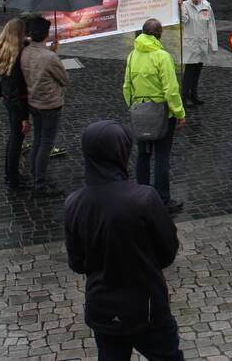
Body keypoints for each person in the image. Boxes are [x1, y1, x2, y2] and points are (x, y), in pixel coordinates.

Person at [64, 121, 183, 361]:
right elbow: (167, 251)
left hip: (102, 309)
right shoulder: (144, 198)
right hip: (147, 306)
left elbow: (77, 262)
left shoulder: (74, 203)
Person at [123, 18, 187, 214]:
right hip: (161, 112)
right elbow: (171, 89)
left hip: (140, 110)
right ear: (159, 34)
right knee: (161, 157)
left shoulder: (132, 55)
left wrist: (133, 106)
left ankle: (140, 194)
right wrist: (179, 113)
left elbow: (127, 86)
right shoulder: (162, 56)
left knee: (143, 154)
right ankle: (162, 198)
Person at [21, 17, 69, 197]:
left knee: (38, 140)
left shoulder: (26, 52)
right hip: (50, 105)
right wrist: (54, 54)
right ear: (47, 34)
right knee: (46, 144)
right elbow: (64, 79)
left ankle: (35, 175)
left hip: (33, 102)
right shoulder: (50, 57)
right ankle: (40, 183)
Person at [0, 18, 30, 189]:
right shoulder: (18, 54)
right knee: (16, 139)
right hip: (16, 103)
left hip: (7, 99)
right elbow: (16, 90)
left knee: (14, 137)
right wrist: (24, 118)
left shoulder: (3, 48)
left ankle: (10, 174)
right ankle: (13, 178)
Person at [180, 0, 218, 106]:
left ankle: (194, 95)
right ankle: (184, 97)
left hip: (202, 44)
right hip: (190, 44)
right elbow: (184, 20)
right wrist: (179, 7)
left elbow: (211, 25)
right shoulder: (185, 5)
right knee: (189, 72)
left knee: (197, 71)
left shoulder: (207, 6)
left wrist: (213, 44)